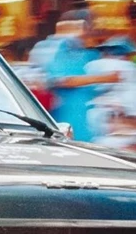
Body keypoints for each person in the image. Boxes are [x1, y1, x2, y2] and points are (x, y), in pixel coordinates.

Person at [27, 10, 106, 141]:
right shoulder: (56, 48)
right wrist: (106, 78)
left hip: (82, 123)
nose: (92, 32)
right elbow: (60, 80)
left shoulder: (86, 53)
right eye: (90, 26)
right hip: (66, 119)